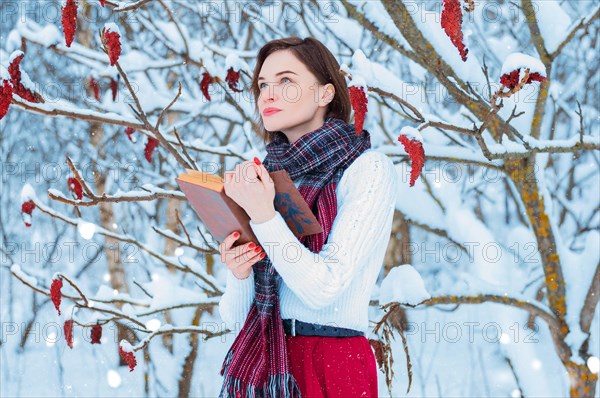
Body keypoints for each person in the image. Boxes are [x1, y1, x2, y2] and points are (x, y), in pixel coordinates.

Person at [217, 36, 398, 398]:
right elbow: (238, 319)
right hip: (268, 365)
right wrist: (239, 273)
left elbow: (323, 289)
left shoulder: (368, 169)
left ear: (325, 93)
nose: (267, 94)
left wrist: (265, 216)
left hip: (331, 361)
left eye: (285, 81)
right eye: (263, 84)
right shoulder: (269, 175)